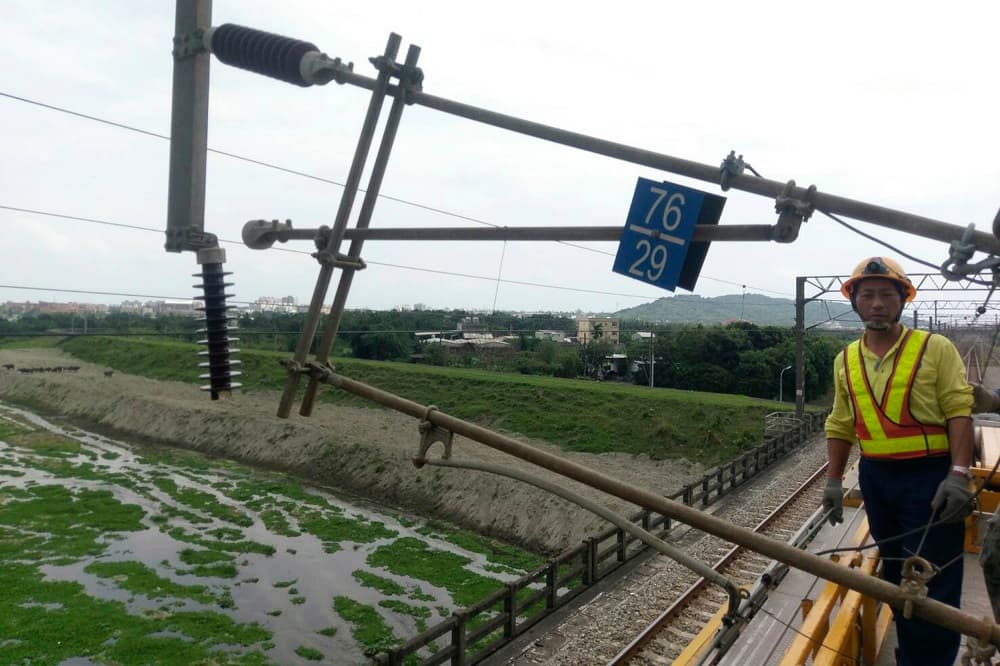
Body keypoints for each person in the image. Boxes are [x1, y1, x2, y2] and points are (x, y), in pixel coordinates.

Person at [821, 256, 975, 666]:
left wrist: (959, 474)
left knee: (930, 579)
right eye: (867, 295)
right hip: (877, 478)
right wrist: (833, 481)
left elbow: (959, 410)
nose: (876, 304)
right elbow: (841, 423)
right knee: (894, 578)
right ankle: (912, 655)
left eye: (886, 295)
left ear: (902, 300)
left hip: (930, 476)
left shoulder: (933, 348)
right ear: (854, 301)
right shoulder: (845, 359)